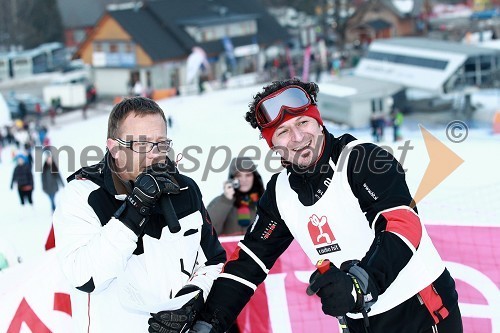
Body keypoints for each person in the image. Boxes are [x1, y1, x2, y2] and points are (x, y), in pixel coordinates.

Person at [189, 79, 462, 333]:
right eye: (283, 132)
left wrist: (361, 283)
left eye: (304, 123)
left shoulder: (362, 159)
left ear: (319, 122)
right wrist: (208, 322)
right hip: (359, 322)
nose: (297, 137)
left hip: (420, 310)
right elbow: (248, 263)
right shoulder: (279, 193)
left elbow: (402, 225)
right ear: (273, 145)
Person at [53, 97, 226, 332]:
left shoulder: (185, 189)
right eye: (142, 145)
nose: (155, 155)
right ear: (114, 148)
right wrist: (135, 208)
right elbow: (84, 277)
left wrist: (190, 304)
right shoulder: (83, 195)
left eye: (162, 144)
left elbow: (212, 262)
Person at [207, 157, 265, 236]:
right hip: (229, 248)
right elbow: (208, 230)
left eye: (248, 175)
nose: (243, 179)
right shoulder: (221, 201)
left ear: (254, 177)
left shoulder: (266, 200)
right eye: (238, 175)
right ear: (232, 178)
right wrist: (226, 200)